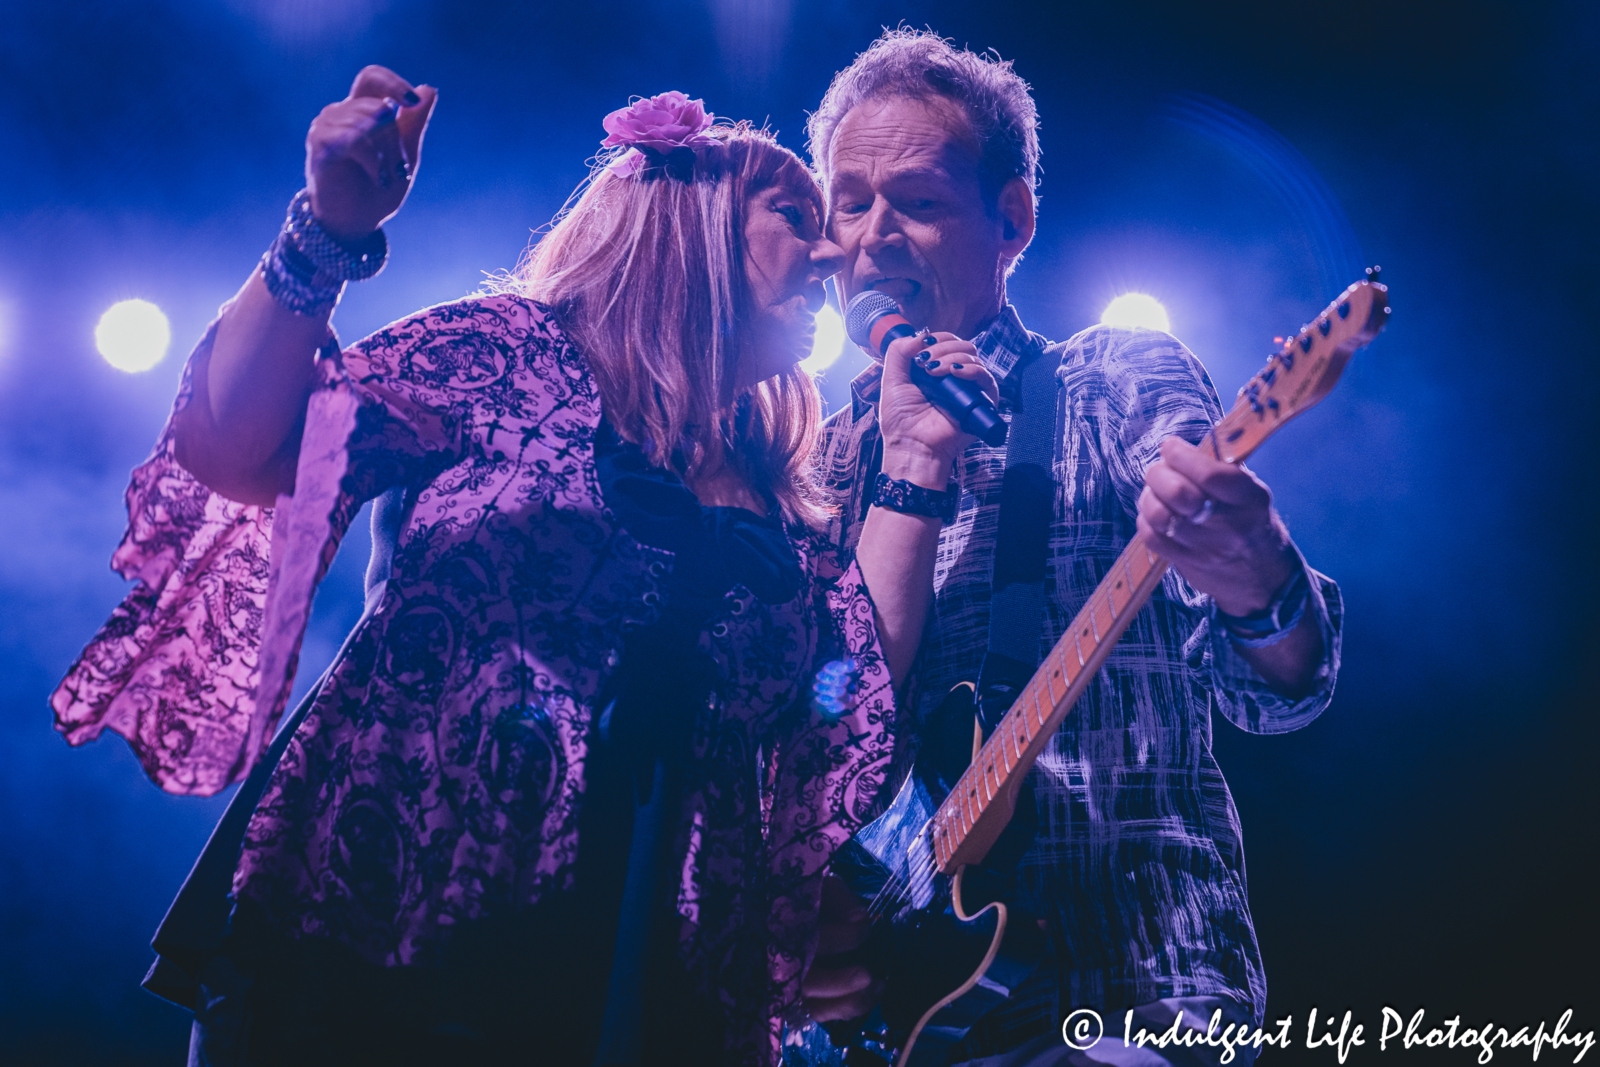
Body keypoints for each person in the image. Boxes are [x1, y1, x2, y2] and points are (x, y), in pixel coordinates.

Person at [51, 67, 998, 1067]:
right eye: (794, 214)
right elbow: (239, 450)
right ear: (689, 222)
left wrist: (917, 456)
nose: (833, 252)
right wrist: (325, 232)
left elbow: (846, 701)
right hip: (395, 925)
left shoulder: (776, 487)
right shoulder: (510, 351)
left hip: (646, 967)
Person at [793, 30, 1344, 1067]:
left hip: (1132, 986)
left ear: (1013, 219)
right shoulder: (814, 466)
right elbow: (806, 744)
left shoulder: (1111, 379)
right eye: (849, 203)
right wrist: (803, 923)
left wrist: (1255, 574)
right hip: (895, 1023)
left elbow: (1279, 691)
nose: (873, 236)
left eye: (917, 200)